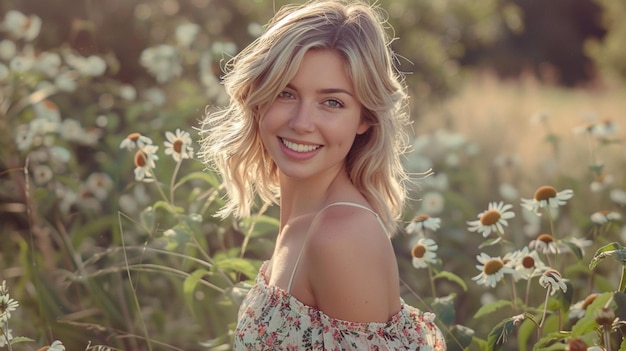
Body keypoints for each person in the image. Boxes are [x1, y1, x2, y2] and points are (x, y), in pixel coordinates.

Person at [199, 0, 446, 349]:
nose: (301, 123)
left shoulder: (341, 235)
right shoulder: (307, 218)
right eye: (286, 93)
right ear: (258, 97)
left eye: (332, 102)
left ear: (365, 119)